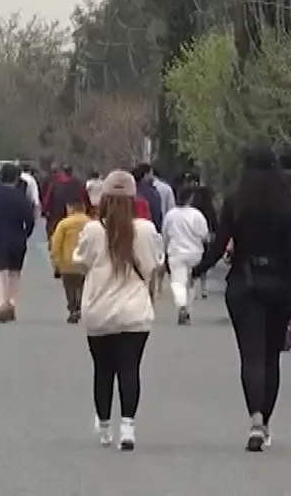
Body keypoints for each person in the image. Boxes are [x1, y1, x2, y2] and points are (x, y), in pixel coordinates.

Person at [192, 146, 291, 452]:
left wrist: (198, 269)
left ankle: (254, 419)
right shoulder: (287, 203)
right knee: (271, 356)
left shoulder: (236, 201)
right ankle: (265, 422)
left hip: (245, 282)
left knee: (251, 354)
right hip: (280, 285)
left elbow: (219, 245)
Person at [73, 170, 161, 451]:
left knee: (103, 369)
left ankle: (104, 427)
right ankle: (128, 427)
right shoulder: (146, 230)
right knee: (130, 368)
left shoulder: (93, 230)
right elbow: (154, 264)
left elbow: (80, 260)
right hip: (135, 312)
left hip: (99, 310)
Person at [0, 163, 35, 322]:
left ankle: (2, 302)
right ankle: (11, 301)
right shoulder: (21, 196)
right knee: (14, 271)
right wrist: (26, 234)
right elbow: (30, 219)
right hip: (18, 237)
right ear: (17, 178)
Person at [163, 185, 210, 325]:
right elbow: (204, 235)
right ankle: (188, 309)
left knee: (178, 282)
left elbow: (165, 234)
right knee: (190, 282)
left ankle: (181, 306)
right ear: (190, 199)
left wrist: (164, 250)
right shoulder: (197, 214)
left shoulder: (170, 215)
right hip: (195, 252)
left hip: (176, 252)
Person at [49, 197, 90, 323]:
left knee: (70, 288)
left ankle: (73, 308)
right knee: (83, 286)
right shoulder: (90, 223)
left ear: (70, 208)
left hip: (67, 263)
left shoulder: (64, 224)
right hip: (85, 262)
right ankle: (81, 305)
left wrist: (55, 262)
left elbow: (56, 244)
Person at [42, 164, 88, 243]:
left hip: (57, 215)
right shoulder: (77, 183)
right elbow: (84, 197)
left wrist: (45, 210)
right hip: (73, 214)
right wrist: (88, 210)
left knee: (55, 236)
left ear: (62, 171)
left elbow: (48, 199)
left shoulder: (55, 183)